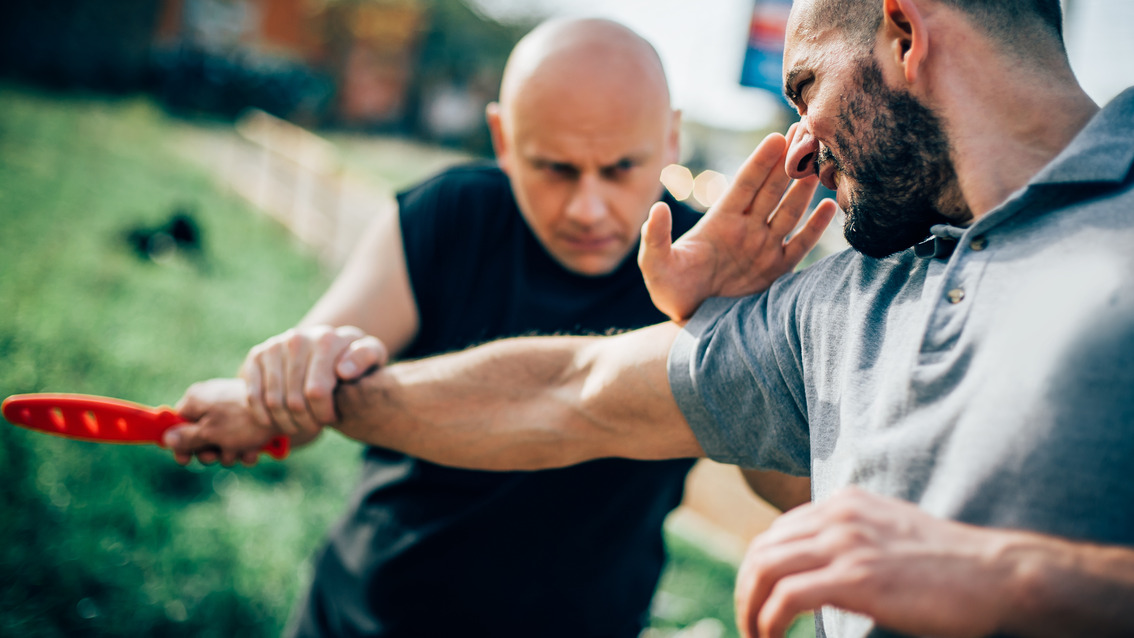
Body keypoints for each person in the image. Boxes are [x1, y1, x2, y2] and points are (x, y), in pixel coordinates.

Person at [167, 0, 1134, 636]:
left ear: (903, 32)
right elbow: (569, 391)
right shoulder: (843, 297)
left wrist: (1015, 576)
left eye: (805, 85)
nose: (797, 141)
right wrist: (311, 396)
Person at [171, 18, 830, 638]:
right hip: (368, 615)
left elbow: (793, 491)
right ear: (504, 138)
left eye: (621, 168)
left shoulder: (718, 261)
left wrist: (741, 326)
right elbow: (302, 402)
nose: (587, 206)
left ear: (670, 139)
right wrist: (285, 378)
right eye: (556, 168)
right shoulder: (451, 214)